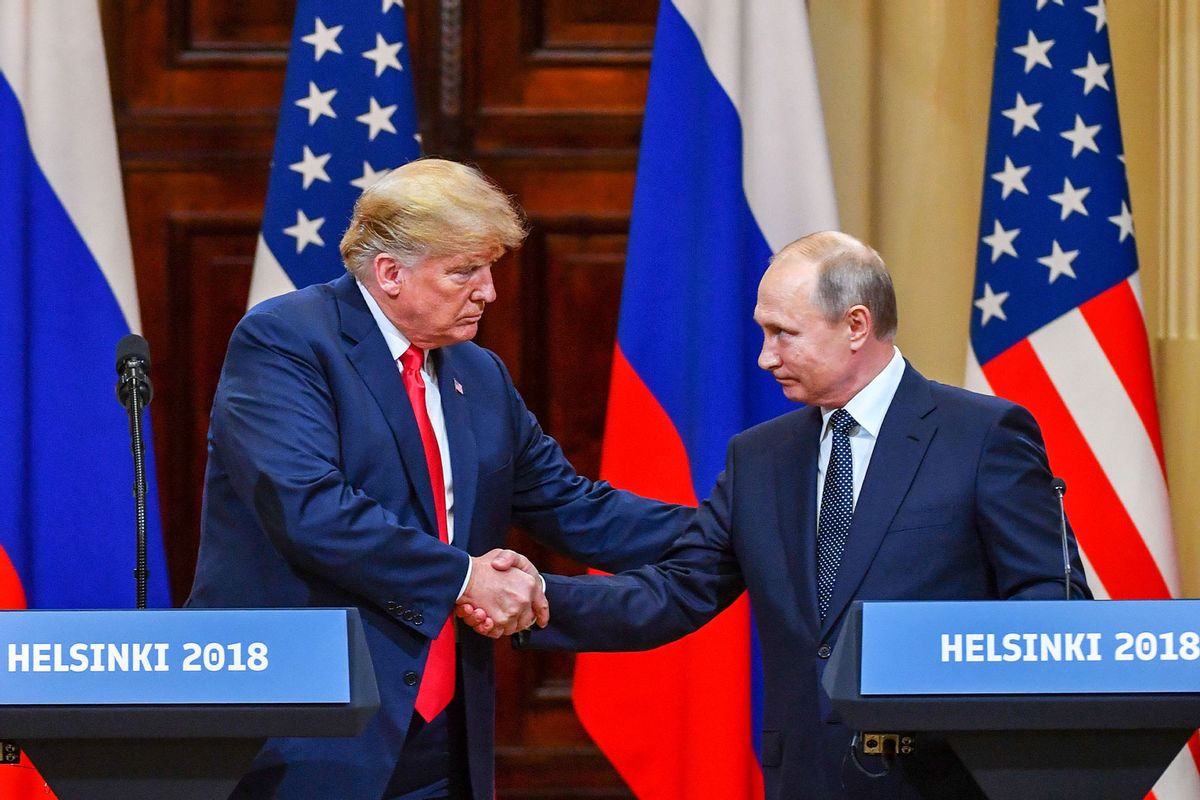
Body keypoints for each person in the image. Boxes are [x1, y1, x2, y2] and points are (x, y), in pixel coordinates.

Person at [468, 231, 1092, 799]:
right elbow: (677, 590)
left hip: (947, 778)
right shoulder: (760, 457)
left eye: (784, 333)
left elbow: (1048, 601)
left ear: (856, 324)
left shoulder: (981, 436)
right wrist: (532, 600)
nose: (766, 357)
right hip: (806, 778)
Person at [187, 158, 691, 800]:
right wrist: (466, 576)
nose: (489, 291)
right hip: (306, 726)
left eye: (489, 268)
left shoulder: (476, 373)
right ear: (390, 273)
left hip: (442, 733)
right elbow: (311, 509)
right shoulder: (286, 342)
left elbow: (571, 506)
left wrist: (738, 529)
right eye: (464, 271)